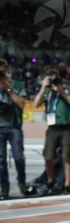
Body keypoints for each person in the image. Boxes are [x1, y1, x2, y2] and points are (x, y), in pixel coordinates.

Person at [34, 69, 70, 194]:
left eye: (53, 78)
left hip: (67, 128)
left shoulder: (67, 89)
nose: (52, 80)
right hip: (52, 129)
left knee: (67, 156)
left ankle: (67, 184)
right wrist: (43, 87)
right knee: (48, 156)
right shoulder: (47, 93)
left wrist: (62, 92)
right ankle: (50, 181)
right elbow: (36, 104)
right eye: (49, 78)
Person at [0, 58, 27, 198]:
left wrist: (8, 88)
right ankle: (4, 186)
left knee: (18, 157)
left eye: (2, 68)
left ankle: (22, 182)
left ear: (6, 68)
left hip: (14, 126)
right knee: (0, 159)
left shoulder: (16, 84)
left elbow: (22, 104)